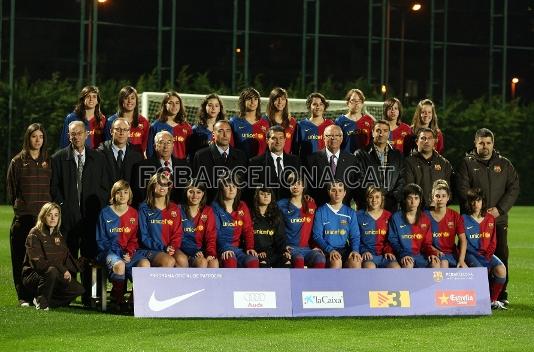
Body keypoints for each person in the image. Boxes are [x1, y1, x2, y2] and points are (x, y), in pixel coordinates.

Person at [456, 128, 519, 305]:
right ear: (475, 143)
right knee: (470, 256)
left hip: (498, 220)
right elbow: (462, 189)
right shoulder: (467, 163)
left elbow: (513, 188)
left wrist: (500, 209)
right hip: (472, 221)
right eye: (481, 143)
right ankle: (471, 295)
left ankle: (500, 295)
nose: (485, 146)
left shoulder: (504, 164)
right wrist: (477, 210)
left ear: (493, 144)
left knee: (501, 253)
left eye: (488, 143)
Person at [51, 120, 109, 305]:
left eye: (79, 133)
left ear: (87, 134)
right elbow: (54, 188)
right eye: (72, 134)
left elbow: (105, 186)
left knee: (91, 258)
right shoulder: (58, 158)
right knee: (67, 257)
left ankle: (91, 296)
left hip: (91, 218)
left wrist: (96, 207)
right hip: (68, 218)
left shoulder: (99, 158)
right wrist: (63, 206)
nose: (75, 137)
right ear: (68, 136)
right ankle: (67, 296)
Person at [7, 123, 52, 306]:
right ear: (28, 138)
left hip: (43, 222)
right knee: (20, 259)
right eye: (34, 136)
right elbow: (11, 191)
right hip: (24, 219)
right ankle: (23, 296)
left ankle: (37, 294)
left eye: (40, 137)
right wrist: (20, 209)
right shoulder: (17, 161)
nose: (37, 140)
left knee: (41, 261)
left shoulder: (49, 160)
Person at [21, 202, 85, 310]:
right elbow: (38, 264)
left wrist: (85, 262)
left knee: (79, 290)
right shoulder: (34, 234)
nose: (53, 218)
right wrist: (62, 269)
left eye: (56, 215)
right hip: (33, 275)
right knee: (52, 271)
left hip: (53, 273)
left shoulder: (58, 235)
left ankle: (44, 300)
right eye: (49, 214)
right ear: (43, 216)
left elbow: (67, 258)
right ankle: (42, 303)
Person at [96, 180, 144, 310]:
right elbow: (101, 240)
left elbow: (134, 239)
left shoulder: (134, 213)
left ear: (130, 195)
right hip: (108, 252)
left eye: (125, 192)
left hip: (127, 253)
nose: (122, 195)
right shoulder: (105, 213)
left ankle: (134, 302)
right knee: (119, 265)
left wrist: (129, 252)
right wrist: (116, 254)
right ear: (113, 194)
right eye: (119, 192)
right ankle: (117, 301)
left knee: (145, 264)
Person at [462, 188, 508, 310]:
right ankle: (480, 302)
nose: (475, 204)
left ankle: (493, 300)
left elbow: (493, 241)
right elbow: (462, 242)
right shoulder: (463, 219)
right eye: (472, 201)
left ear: (483, 202)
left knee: (501, 270)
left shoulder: (490, 218)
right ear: (469, 202)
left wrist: (488, 256)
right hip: (471, 254)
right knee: (481, 272)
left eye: (478, 200)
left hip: (487, 254)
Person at [137, 173, 188, 268]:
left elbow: (178, 233)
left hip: (170, 248)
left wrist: (172, 247)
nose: (163, 187)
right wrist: (163, 248)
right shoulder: (143, 208)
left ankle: (181, 283)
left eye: (165, 184)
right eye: (159, 183)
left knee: (182, 260)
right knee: (168, 261)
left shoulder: (175, 208)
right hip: (150, 249)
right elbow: (144, 237)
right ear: (152, 186)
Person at [192, 120, 248, 204]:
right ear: (213, 135)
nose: (225, 135)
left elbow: (243, 185)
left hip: (233, 207)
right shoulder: (201, 155)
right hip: (208, 206)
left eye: (228, 131)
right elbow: (198, 186)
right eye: (221, 131)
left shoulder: (241, 155)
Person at [354, 120, 404, 212]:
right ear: (372, 133)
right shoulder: (360, 154)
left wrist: (392, 199)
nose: (381, 134)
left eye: (385, 131)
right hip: (368, 206)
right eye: (378, 130)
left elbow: (401, 180)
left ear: (389, 134)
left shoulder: (397, 155)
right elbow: (359, 180)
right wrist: (375, 197)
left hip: (391, 206)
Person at [388, 183, 440, 268]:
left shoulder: (425, 219)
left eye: (416, 198)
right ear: (405, 200)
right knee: (408, 264)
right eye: (410, 198)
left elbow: (427, 243)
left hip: (420, 255)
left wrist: (431, 253)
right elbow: (393, 241)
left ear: (420, 200)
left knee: (436, 263)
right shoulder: (396, 217)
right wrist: (403, 254)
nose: (413, 202)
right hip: (402, 255)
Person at [277, 177, 326, 269]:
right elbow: (277, 230)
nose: (295, 186)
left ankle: (316, 283)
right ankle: (298, 283)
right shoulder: (280, 205)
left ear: (303, 186)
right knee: (298, 260)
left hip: (307, 249)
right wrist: (282, 247)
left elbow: (315, 229)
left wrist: (315, 246)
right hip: (290, 249)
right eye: (292, 183)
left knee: (320, 259)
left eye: (298, 183)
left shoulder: (311, 205)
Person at [131, 130, 189, 206]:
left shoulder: (184, 166)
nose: (165, 147)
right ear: (155, 146)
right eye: (161, 142)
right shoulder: (142, 166)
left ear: (173, 145)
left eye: (168, 142)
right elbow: (139, 194)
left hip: (179, 210)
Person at [312, 181, 361, 269]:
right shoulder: (321, 211)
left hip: (344, 249)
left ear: (344, 193)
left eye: (340, 190)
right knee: (336, 262)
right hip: (327, 250)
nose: (337, 193)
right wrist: (330, 250)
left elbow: (355, 236)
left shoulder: (350, 212)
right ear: (328, 192)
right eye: (334, 190)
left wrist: (355, 250)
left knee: (356, 261)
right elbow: (316, 236)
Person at [212, 177, 259, 268]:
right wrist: (224, 249)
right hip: (221, 249)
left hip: (238, 250)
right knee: (230, 259)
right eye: (227, 186)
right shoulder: (215, 207)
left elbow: (248, 230)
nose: (231, 189)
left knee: (253, 260)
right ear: (221, 189)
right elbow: (215, 232)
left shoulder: (242, 206)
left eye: (234, 186)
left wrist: (250, 247)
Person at [306, 124, 358, 207]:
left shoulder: (351, 159)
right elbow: (308, 184)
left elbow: (354, 185)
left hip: (343, 208)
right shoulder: (311, 159)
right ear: (324, 138)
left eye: (337, 135)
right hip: (320, 207)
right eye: (329, 135)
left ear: (341, 138)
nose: (333, 138)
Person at [249, 125, 301, 202]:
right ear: (267, 140)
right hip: (267, 209)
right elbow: (252, 191)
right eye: (274, 138)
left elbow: (300, 185)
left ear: (285, 140)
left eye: (281, 138)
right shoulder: (255, 162)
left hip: (289, 208)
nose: (278, 142)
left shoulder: (295, 160)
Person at [404, 127, 453, 207]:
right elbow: (409, 190)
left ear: (434, 141)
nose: (426, 141)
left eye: (430, 138)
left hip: (438, 211)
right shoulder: (408, 162)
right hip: (418, 211)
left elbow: (449, 190)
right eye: (423, 138)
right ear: (417, 141)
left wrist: (441, 204)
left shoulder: (444, 163)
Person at [426, 180, 467, 268]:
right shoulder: (425, 216)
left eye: (443, 196)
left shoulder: (455, 216)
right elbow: (423, 241)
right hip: (432, 253)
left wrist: (461, 260)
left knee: (465, 270)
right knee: (442, 264)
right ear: (433, 198)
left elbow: (463, 240)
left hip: (451, 254)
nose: (440, 199)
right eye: (437, 196)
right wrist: (433, 251)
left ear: (448, 197)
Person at [356, 186, 400, 269]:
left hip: (385, 255)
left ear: (382, 198)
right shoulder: (358, 215)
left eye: (377, 197)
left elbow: (392, 238)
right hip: (368, 255)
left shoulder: (389, 216)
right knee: (370, 268)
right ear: (366, 199)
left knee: (395, 268)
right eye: (371, 197)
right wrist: (363, 251)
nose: (374, 200)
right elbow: (355, 238)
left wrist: (389, 251)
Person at [180, 180, 219, 268]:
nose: (195, 196)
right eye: (191, 192)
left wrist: (210, 253)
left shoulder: (208, 211)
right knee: (202, 262)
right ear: (185, 192)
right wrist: (193, 250)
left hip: (201, 250)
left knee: (214, 262)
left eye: (198, 192)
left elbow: (211, 236)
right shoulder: (178, 210)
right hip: (184, 250)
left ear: (203, 194)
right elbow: (179, 237)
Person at [98, 118, 143, 193]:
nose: (121, 133)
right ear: (111, 131)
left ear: (129, 133)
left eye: (125, 130)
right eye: (118, 129)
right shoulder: (100, 154)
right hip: (106, 201)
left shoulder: (137, 155)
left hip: (129, 201)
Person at [103, 86, 150, 156]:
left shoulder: (144, 122)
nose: (129, 101)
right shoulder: (111, 121)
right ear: (121, 100)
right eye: (126, 98)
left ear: (136, 101)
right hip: (116, 161)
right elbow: (107, 146)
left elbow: (144, 148)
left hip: (137, 161)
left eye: (132, 98)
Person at [147, 91, 192, 160]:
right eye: (170, 103)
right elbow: (150, 151)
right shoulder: (155, 126)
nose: (174, 105)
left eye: (177, 103)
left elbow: (190, 151)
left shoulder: (187, 127)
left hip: (181, 166)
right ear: (165, 105)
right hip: (161, 167)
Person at [251, 187, 289, 268]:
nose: (266, 196)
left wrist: (284, 251)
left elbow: (280, 237)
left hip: (273, 252)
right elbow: (248, 237)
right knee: (263, 261)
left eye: (268, 194)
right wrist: (258, 251)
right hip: (257, 252)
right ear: (256, 196)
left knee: (287, 260)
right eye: (262, 194)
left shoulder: (276, 215)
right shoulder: (250, 214)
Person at [229, 87, 270, 159]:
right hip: (240, 164)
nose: (253, 102)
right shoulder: (234, 122)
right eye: (249, 99)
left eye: (255, 99)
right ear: (243, 101)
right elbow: (230, 146)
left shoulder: (265, 122)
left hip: (260, 165)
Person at [293, 92, 334, 161]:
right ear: (309, 106)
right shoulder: (301, 125)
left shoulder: (331, 125)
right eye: (315, 104)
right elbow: (295, 149)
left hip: (327, 166)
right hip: (306, 167)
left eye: (321, 104)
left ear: (324, 106)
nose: (318, 107)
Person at [335, 88, 375, 154]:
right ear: (347, 103)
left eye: (359, 101)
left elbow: (373, 142)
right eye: (353, 100)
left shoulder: (369, 120)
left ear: (362, 103)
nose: (356, 103)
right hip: (346, 160)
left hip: (364, 160)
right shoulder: (340, 121)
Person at [188, 93, 226, 161]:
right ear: (204, 107)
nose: (213, 108)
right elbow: (191, 155)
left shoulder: (225, 129)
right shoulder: (196, 130)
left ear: (220, 109)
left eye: (216, 105)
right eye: (210, 105)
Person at [264, 87, 297, 154]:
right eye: (277, 99)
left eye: (283, 99)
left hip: (286, 161)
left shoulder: (292, 121)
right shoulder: (264, 120)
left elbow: (294, 145)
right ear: (272, 101)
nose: (280, 102)